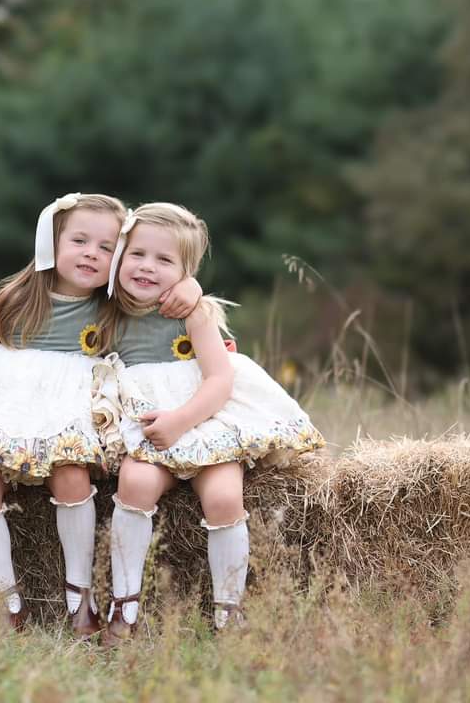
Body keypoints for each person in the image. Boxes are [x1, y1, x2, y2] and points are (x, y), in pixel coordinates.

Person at [0, 193, 201, 634]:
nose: (91, 254)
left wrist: (190, 286)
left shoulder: (112, 304)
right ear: (52, 241)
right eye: (79, 241)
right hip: (7, 409)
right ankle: (6, 604)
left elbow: (168, 295)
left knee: (71, 476)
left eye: (106, 248)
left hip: (65, 415)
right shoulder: (18, 297)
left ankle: (79, 599)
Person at [91, 202, 325, 645]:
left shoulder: (190, 312)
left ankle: (229, 615)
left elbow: (220, 379)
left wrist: (181, 420)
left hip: (203, 417)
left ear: (186, 270)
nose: (147, 267)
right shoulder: (103, 307)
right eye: (137, 254)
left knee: (222, 497)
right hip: (146, 424)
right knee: (135, 486)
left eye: (165, 261)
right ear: (119, 255)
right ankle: (125, 607)